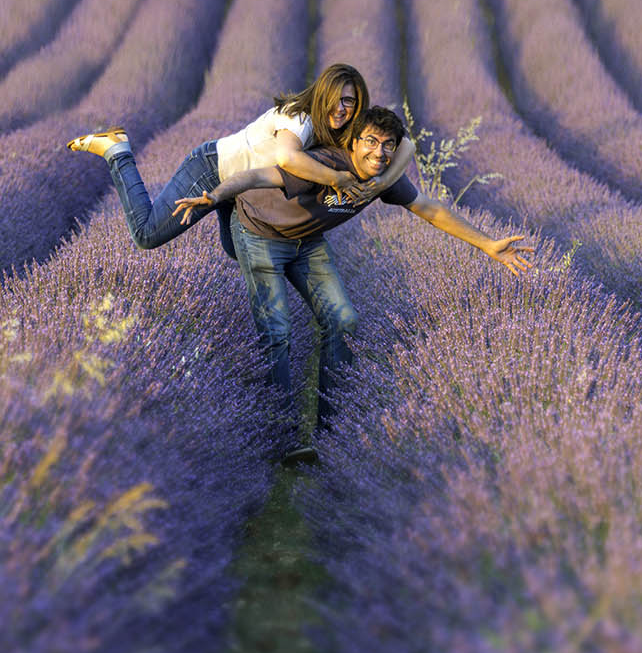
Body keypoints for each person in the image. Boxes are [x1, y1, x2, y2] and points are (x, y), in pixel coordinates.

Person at [173, 105, 534, 463]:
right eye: (371, 141)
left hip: (307, 241)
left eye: (388, 144)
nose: (379, 152)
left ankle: (330, 434)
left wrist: (487, 244)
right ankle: (281, 437)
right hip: (258, 232)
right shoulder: (327, 164)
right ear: (353, 142)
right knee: (276, 330)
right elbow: (257, 177)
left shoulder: (381, 179)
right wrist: (216, 196)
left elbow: (429, 208)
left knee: (343, 319)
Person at [65, 64, 416, 256]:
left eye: (350, 102)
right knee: (146, 235)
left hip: (242, 190)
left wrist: (382, 184)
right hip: (210, 170)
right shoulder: (301, 119)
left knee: (239, 252)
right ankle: (117, 150)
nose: (342, 108)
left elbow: (407, 146)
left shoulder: (345, 126)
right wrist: (337, 180)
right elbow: (286, 157)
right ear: (321, 95)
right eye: (336, 100)